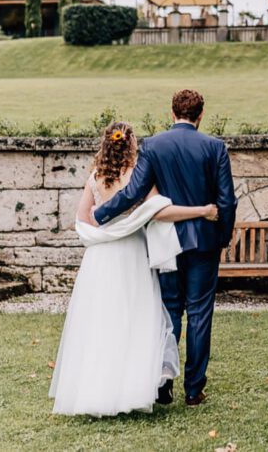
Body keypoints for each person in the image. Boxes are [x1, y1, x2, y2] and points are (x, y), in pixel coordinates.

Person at [49, 121, 218, 417]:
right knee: (134, 319)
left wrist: (106, 233)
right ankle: (131, 390)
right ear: (130, 145)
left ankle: (97, 391)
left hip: (100, 259)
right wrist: (203, 210)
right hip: (130, 255)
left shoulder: (95, 177)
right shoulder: (136, 177)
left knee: (101, 322)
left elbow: (84, 219)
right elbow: (162, 212)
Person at [93, 90, 237, 407]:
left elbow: (134, 191)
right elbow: (227, 199)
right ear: (200, 115)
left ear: (171, 114)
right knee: (200, 314)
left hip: (165, 243)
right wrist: (223, 236)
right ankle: (193, 389)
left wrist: (101, 214)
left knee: (169, 312)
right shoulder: (215, 147)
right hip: (204, 242)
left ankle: (163, 384)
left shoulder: (154, 146)